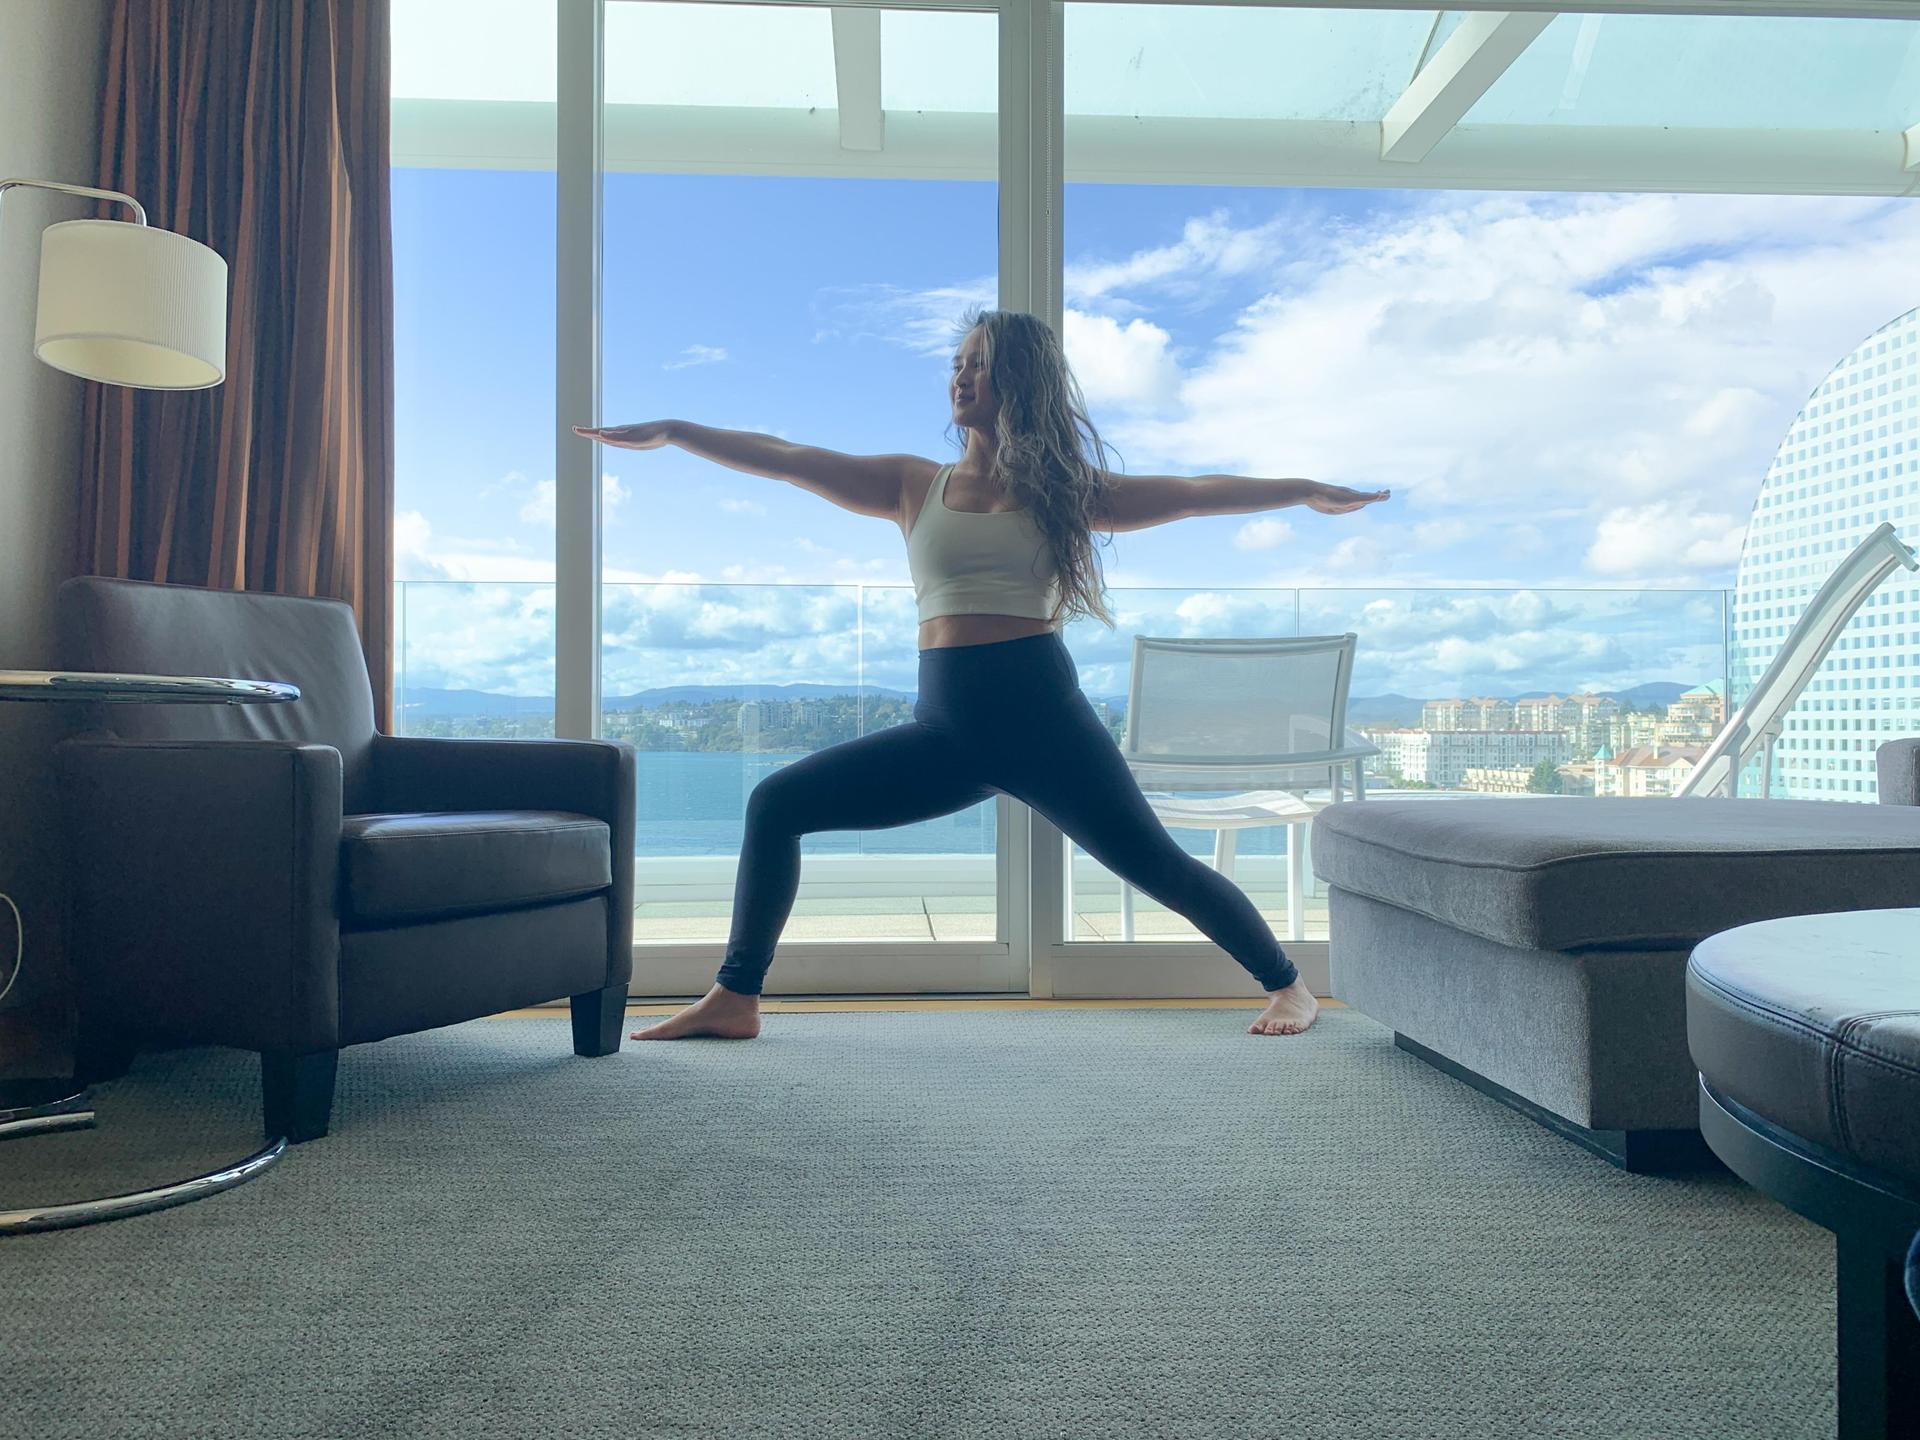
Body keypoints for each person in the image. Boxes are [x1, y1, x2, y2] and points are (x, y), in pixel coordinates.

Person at [575, 305, 1389, 1043]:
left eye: (981, 363)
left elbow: (1191, 493)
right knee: (776, 802)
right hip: (949, 728)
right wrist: (678, 429)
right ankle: (736, 997)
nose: (961, 376)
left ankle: (1290, 986)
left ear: (1020, 382)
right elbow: (788, 458)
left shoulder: (1067, 494)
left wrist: (1302, 491)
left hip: (1045, 718)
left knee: (1157, 865)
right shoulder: (909, 485)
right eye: (957, 363)